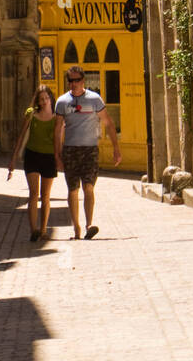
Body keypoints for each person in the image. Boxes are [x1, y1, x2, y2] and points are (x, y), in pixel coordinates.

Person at [54, 65, 121, 240]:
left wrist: (116, 148)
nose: (73, 84)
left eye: (77, 80)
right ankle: (76, 226)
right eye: (70, 80)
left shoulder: (94, 99)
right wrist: (57, 154)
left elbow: (108, 123)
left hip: (90, 150)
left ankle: (89, 224)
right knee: (73, 189)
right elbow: (58, 129)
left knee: (89, 186)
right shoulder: (62, 102)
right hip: (70, 150)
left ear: (83, 81)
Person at [7, 84, 57, 242]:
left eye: (46, 98)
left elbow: (59, 140)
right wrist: (13, 159)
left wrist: (60, 158)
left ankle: (43, 230)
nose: (44, 102)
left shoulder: (57, 117)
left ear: (51, 99)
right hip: (32, 156)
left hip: (49, 158)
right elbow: (21, 136)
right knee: (34, 194)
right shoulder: (31, 114)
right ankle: (33, 230)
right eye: (41, 99)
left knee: (46, 196)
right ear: (37, 100)